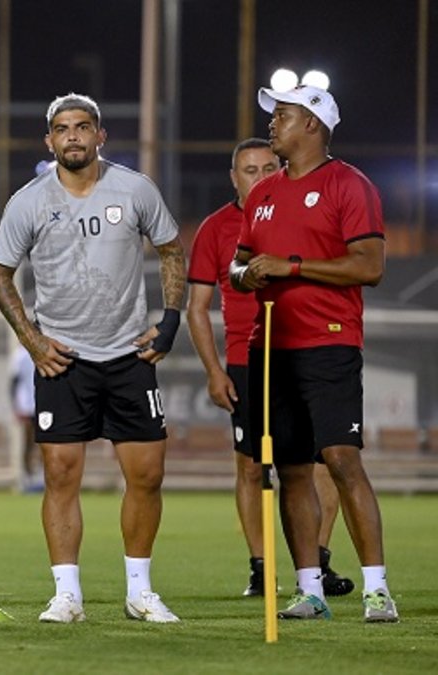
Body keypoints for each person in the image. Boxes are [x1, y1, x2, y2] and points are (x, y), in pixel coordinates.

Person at [0, 93, 186, 624]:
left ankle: (139, 592)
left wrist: (170, 321)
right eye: (61, 128)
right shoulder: (28, 201)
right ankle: (67, 595)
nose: (71, 135)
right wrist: (33, 341)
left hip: (128, 355)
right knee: (60, 476)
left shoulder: (136, 189)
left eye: (81, 126)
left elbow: (171, 249)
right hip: (64, 360)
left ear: (101, 136)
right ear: (49, 141)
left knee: (146, 476)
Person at [229, 85, 398, 622]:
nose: (272, 124)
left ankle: (377, 589)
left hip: (329, 342)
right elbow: (238, 266)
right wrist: (249, 273)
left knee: (343, 460)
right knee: (291, 469)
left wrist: (292, 266)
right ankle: (310, 590)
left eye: (283, 115)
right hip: (270, 346)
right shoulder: (262, 194)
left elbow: (369, 266)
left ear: (314, 125)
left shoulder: (350, 184)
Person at [186, 138, 354, 598]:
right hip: (249, 358)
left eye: (266, 167)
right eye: (248, 169)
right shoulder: (216, 228)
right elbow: (197, 308)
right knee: (252, 466)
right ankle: (262, 567)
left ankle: (315, 562)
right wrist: (214, 370)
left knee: (323, 459)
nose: (258, 177)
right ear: (234, 177)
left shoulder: (298, 210)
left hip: (308, 350)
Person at [9, 344, 40, 484]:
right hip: (26, 405)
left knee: (45, 442)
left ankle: (41, 474)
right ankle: (26, 475)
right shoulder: (20, 355)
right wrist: (15, 406)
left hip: (42, 403)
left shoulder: (42, 350)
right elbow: (13, 382)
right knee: (27, 442)